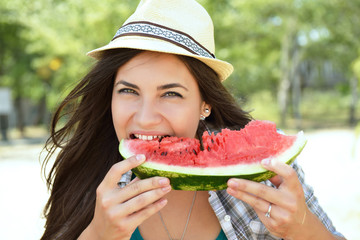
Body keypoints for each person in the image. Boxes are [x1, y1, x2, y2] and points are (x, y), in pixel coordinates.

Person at [41, 0, 345, 239]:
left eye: (170, 94)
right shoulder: (86, 177)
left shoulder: (270, 176)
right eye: (128, 91)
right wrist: (98, 235)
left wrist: (303, 229)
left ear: (205, 104)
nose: (145, 119)